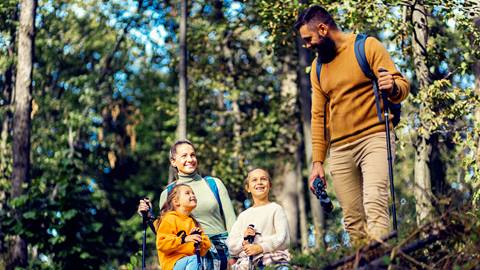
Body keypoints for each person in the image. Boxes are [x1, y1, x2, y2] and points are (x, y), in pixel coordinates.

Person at [294, 5, 410, 246]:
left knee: (375, 202)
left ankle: (383, 259)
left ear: (323, 29)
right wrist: (317, 162)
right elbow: (318, 116)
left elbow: (401, 86)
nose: (307, 45)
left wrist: (393, 86)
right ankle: (363, 262)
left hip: (375, 138)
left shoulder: (367, 46)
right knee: (352, 220)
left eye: (308, 39)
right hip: (340, 150)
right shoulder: (317, 69)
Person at [138, 140, 236, 269]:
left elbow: (231, 221)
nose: (190, 159)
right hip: (189, 254)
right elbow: (165, 233)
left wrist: (235, 254)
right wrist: (149, 216)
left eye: (193, 155)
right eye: (184, 156)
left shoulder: (214, 184)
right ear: (173, 161)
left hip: (221, 251)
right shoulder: (168, 193)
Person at [227, 168, 290, 270]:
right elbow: (231, 245)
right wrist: (244, 241)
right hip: (247, 264)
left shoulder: (275, 209)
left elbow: (283, 239)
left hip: (274, 261)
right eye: (254, 180)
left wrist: (260, 247)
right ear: (248, 188)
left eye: (263, 179)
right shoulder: (243, 216)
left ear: (270, 185)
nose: (259, 182)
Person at [156, 183, 211, 270]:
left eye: (193, 193)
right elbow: (162, 244)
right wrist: (183, 239)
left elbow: (203, 251)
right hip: (172, 264)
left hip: (190, 262)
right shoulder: (169, 219)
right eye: (187, 193)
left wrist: (200, 241)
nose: (192, 195)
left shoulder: (193, 222)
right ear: (176, 201)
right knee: (195, 260)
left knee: (198, 260)